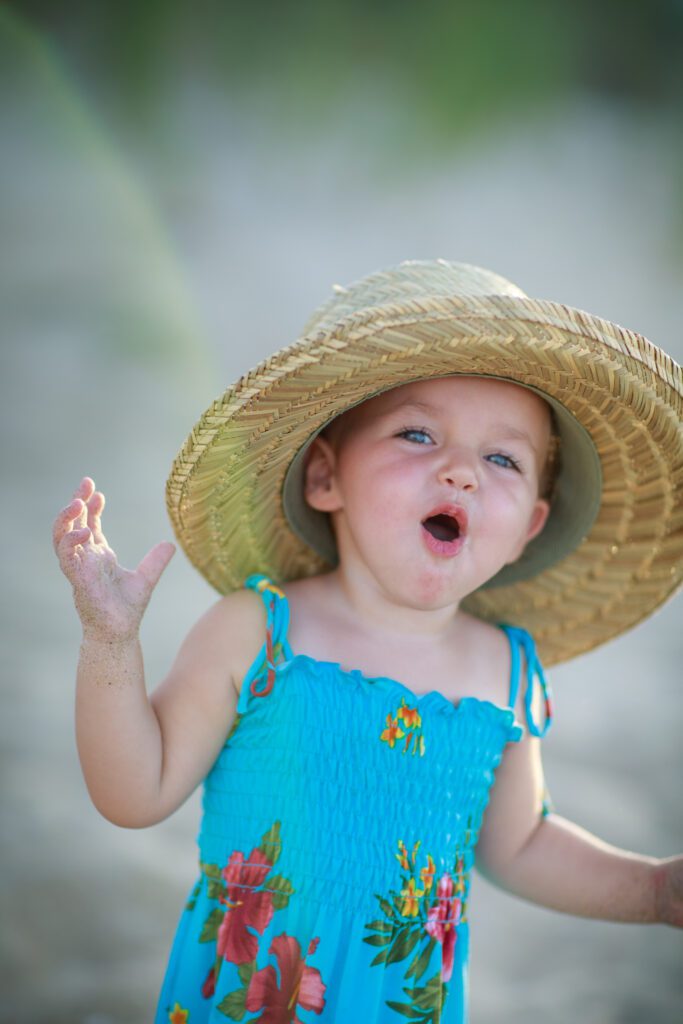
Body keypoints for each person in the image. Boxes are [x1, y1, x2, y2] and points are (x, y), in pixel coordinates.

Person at [53, 260, 683, 1023]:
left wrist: (651, 889)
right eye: (417, 434)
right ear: (325, 477)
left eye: (502, 458)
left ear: (529, 529)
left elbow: (519, 845)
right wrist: (110, 643)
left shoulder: (503, 671)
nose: (460, 473)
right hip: (250, 997)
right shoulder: (258, 632)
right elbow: (133, 792)